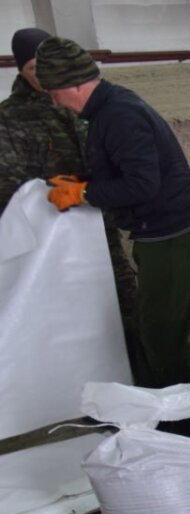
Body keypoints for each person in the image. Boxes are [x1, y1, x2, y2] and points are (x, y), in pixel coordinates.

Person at [36, 37, 190, 436]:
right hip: (157, 235)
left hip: (171, 236)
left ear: (76, 84)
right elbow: (124, 172)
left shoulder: (120, 115)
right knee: (150, 330)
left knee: (163, 337)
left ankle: (187, 433)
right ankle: (153, 419)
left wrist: (83, 193)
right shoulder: (106, 113)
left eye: (56, 93)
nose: (57, 102)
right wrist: (86, 181)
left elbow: (142, 184)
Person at [0, 29, 138, 339]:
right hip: (52, 234)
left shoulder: (86, 102)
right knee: (69, 313)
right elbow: (8, 187)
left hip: (99, 220)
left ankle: (142, 379)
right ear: (21, 70)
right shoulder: (9, 119)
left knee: (123, 302)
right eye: (35, 68)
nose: (46, 75)